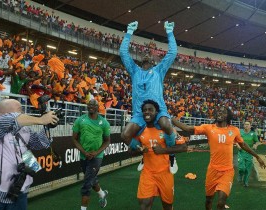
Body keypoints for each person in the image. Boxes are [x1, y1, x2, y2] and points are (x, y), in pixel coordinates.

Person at [0, 99, 59, 210]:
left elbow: (38, 143)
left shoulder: (24, 129)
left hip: (19, 189)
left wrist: (48, 126)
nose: (22, 113)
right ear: (4, 113)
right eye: (19, 111)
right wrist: (41, 119)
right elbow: (11, 120)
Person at [171, 106, 266, 210]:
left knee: (221, 203)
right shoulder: (208, 127)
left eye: (223, 112)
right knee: (208, 200)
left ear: (228, 116)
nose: (220, 113)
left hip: (227, 172)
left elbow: (243, 145)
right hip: (212, 171)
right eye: (218, 111)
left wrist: (257, 157)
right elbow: (187, 128)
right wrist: (171, 119)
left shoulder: (234, 130)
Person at [119, 20, 178, 173]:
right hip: (140, 113)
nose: (146, 55)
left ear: (153, 61)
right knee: (125, 135)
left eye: (149, 55)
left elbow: (172, 53)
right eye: (144, 54)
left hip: (158, 111)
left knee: (166, 125)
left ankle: (171, 155)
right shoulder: (134, 71)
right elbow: (123, 54)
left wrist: (170, 32)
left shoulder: (159, 70)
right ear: (140, 60)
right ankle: (143, 154)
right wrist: (129, 32)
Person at [131, 100, 187, 210]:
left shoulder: (166, 129)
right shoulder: (140, 130)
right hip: (147, 173)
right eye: (144, 110)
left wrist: (162, 150)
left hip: (165, 173)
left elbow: (184, 147)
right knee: (144, 205)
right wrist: (140, 150)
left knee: (167, 206)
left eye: (150, 110)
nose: (147, 112)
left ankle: (172, 159)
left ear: (157, 113)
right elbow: (130, 151)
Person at [72, 99, 110, 210]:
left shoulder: (104, 123)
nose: (91, 106)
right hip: (84, 155)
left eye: (94, 105)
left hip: (97, 157)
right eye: (89, 104)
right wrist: (84, 152)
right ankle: (102, 194)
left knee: (87, 184)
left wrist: (96, 152)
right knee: (92, 178)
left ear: (98, 107)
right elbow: (74, 139)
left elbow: (107, 141)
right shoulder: (80, 120)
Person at [236, 121, 259, 187]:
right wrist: (238, 145)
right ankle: (240, 174)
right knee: (242, 168)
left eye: (247, 124)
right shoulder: (240, 132)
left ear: (250, 126)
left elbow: (257, 141)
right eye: (245, 124)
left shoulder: (253, 134)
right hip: (241, 152)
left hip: (249, 153)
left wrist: (255, 145)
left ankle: (245, 182)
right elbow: (236, 140)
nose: (246, 125)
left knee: (248, 169)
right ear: (243, 125)